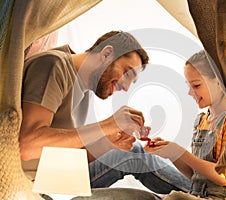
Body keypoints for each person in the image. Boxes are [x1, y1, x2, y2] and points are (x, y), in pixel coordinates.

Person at [20, 30, 191, 195]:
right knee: (136, 154)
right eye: (127, 73)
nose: (125, 87)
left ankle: (196, 193)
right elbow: (28, 146)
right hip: (40, 180)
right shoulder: (54, 65)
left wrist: (109, 143)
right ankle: (201, 195)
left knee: (131, 151)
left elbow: (67, 153)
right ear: (107, 53)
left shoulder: (83, 89)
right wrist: (106, 125)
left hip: (56, 173)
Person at [145, 51, 226, 199]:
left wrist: (181, 152)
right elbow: (194, 174)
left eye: (196, 85)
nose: (190, 92)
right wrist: (171, 153)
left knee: (176, 198)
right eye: (189, 85)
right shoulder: (201, 121)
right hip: (195, 195)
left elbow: (225, 177)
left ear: (218, 81)